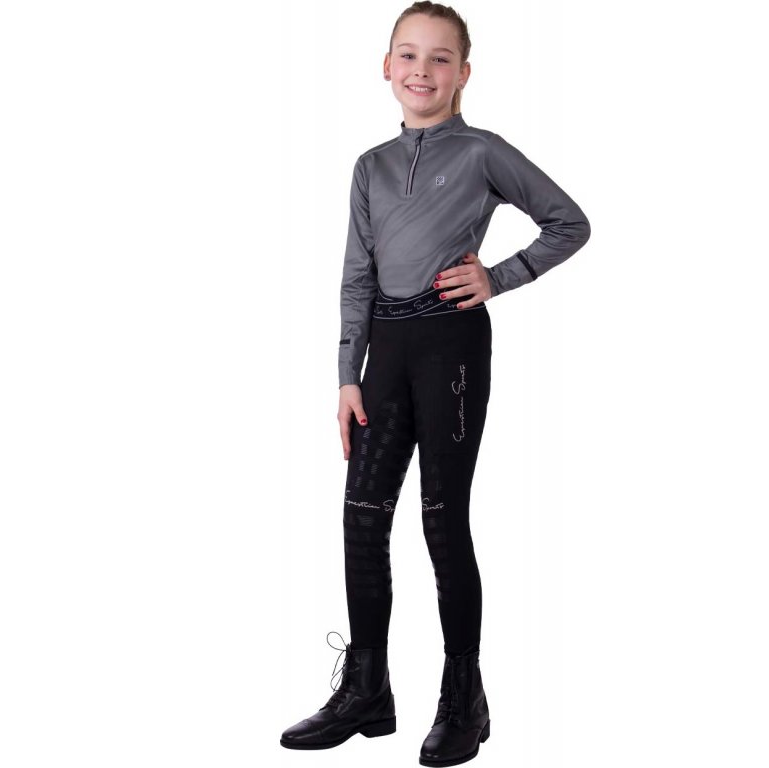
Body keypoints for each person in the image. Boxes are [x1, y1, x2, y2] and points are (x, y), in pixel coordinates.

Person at [280, 2, 591, 764]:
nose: (422, 70)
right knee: (361, 517)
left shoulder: (483, 152)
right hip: (384, 354)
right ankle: (368, 691)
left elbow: (569, 222)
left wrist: (500, 276)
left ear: (464, 73)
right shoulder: (370, 167)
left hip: (450, 345)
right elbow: (356, 278)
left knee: (442, 520)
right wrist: (347, 376)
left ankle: (464, 699)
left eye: (440, 58)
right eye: (409, 55)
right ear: (387, 67)